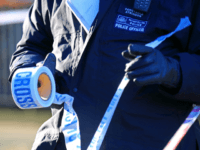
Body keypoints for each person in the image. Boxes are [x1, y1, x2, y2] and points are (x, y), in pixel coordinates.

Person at [9, 0, 200, 149]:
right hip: (64, 141)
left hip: (154, 142)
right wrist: (32, 71)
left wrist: (174, 72)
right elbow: (30, 47)